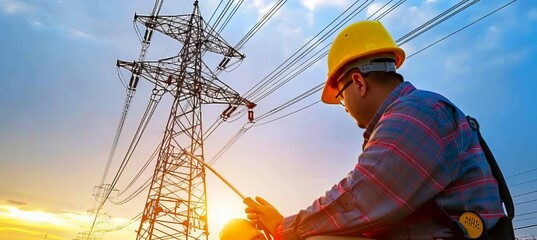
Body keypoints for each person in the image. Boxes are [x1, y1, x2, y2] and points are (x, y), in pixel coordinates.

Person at [245, 20, 506, 239]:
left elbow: (359, 198)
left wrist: (284, 227)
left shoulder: (414, 115)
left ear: (358, 82)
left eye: (340, 97)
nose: (343, 106)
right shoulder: (412, 114)